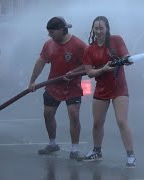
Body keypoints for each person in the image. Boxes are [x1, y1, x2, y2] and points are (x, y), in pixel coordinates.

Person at [28, 16, 86, 160]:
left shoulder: (78, 45)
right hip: (53, 85)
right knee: (48, 114)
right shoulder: (49, 45)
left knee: (74, 115)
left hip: (72, 86)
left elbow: (88, 65)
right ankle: (52, 143)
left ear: (61, 30)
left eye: (51, 32)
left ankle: (74, 149)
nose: (49, 35)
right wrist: (32, 81)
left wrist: (73, 73)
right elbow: (40, 62)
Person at [81, 16, 136, 167]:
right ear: (93, 29)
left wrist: (127, 59)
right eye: (96, 28)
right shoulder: (89, 49)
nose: (98, 31)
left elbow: (126, 56)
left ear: (107, 29)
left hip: (119, 88)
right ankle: (97, 151)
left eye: (101, 28)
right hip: (101, 89)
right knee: (97, 123)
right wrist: (104, 69)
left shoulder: (116, 40)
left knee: (121, 121)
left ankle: (131, 155)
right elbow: (90, 73)